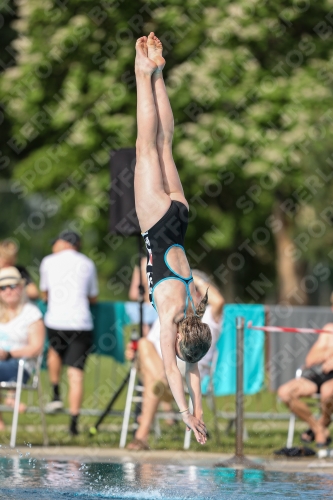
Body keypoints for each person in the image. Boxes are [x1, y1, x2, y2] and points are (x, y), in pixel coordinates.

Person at [134, 33, 211, 444]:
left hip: (180, 216)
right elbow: (172, 370)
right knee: (145, 145)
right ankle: (143, 72)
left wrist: (199, 410)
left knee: (165, 144)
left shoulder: (192, 308)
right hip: (157, 222)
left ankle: (160, 73)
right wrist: (186, 414)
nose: (178, 354)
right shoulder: (169, 321)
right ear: (181, 338)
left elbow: (192, 366)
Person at [127, 271, 224, 450]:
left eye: (195, 293)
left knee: (153, 377)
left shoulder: (209, 315)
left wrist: (193, 278)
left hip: (186, 369)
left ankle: (141, 436)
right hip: (160, 364)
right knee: (144, 346)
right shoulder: (174, 314)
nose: (190, 296)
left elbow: (219, 300)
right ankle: (161, 383)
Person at [39, 230, 98, 436]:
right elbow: (93, 297)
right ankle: (73, 423)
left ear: (64, 243)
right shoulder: (88, 263)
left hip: (56, 320)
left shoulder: (48, 262)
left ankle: (56, 394)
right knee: (76, 373)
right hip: (81, 322)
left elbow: (44, 293)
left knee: (54, 352)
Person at [0, 266, 45, 430]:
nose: (7, 291)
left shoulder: (31, 313)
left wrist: (8, 354)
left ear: (20, 287)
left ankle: (10, 401)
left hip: (21, 366)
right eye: (2, 288)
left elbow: (36, 347)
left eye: (12, 286)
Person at [278, 317, 333, 447]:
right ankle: (318, 429)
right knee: (285, 392)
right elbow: (310, 360)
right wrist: (328, 354)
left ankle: (323, 423)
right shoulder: (328, 329)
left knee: (327, 391)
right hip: (321, 374)